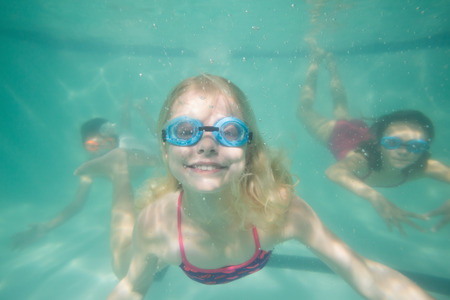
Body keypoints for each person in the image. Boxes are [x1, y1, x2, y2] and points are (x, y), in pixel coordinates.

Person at [107, 74, 432, 299]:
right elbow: (133, 289)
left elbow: (363, 272)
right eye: (184, 131)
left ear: (250, 149)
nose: (206, 145)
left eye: (229, 131)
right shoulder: (155, 225)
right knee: (122, 265)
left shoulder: (279, 210)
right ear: (165, 150)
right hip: (161, 236)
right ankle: (119, 171)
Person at [296, 43, 450, 234]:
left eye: (415, 146)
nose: (403, 152)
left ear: (425, 148)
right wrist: (375, 198)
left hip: (360, 132)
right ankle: (316, 61)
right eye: (392, 143)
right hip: (339, 135)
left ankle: (333, 66)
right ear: (379, 141)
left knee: (341, 110)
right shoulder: (363, 161)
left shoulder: (422, 167)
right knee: (304, 112)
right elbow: (334, 172)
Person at [11, 100, 160, 278]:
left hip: (145, 148)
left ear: (114, 142)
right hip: (125, 142)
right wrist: (46, 227)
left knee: (159, 136)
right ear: (85, 146)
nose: (100, 153)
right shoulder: (89, 167)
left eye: (106, 144)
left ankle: (139, 109)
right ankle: (128, 107)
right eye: (92, 146)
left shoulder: (127, 155)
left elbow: (160, 161)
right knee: (125, 127)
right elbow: (76, 204)